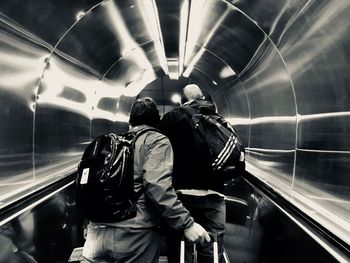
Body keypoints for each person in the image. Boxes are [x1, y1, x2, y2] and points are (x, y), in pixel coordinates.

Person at [82, 97, 210, 263]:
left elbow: (88, 184)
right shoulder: (157, 140)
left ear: (130, 121)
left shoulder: (111, 143)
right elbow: (157, 185)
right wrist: (186, 224)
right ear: (157, 122)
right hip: (135, 235)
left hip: (96, 233)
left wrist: (87, 221)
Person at [159, 84, 239, 262]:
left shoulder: (172, 117)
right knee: (212, 247)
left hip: (182, 195)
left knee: (180, 246)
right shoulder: (218, 118)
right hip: (214, 195)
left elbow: (159, 154)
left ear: (182, 100)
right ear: (202, 96)